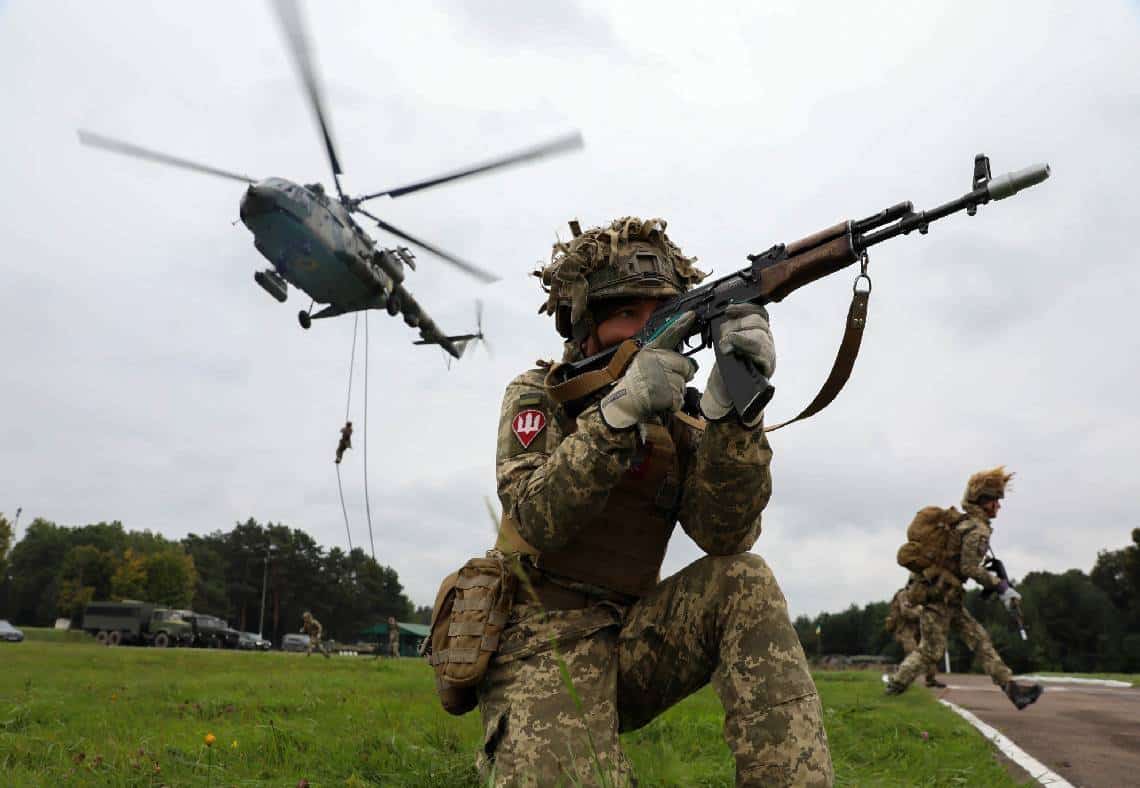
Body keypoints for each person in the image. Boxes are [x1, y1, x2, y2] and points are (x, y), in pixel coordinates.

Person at [474, 217, 831, 786]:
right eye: (627, 314)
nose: (646, 330)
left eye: (660, 312)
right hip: (541, 643)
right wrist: (616, 417)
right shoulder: (541, 394)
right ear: (586, 327)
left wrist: (733, 414)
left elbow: (725, 535)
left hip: (635, 639)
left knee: (745, 578)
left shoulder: (676, 413)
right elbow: (532, 517)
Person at [885, 467, 1042, 709]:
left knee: (980, 641)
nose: (999, 506)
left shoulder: (967, 525)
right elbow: (969, 568)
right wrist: (1000, 586)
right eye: (996, 500)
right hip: (939, 598)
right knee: (931, 650)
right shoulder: (976, 530)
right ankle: (893, 688)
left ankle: (1012, 690)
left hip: (949, 598)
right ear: (984, 501)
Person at [884, 585, 944, 688]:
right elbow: (906, 612)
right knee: (912, 652)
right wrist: (921, 612)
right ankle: (899, 679)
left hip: (918, 627)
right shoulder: (903, 595)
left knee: (929, 650)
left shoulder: (922, 595)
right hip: (904, 628)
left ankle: (930, 679)